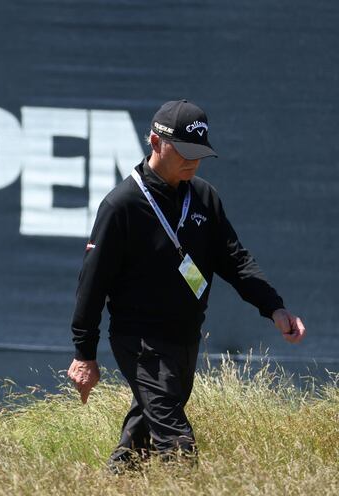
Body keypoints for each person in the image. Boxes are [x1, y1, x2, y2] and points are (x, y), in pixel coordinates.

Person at [66, 100, 306, 472]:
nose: (192, 162)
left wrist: (274, 307)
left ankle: (113, 488)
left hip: (186, 335)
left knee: (144, 432)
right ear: (155, 142)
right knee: (177, 441)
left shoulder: (204, 196)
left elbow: (235, 260)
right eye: (184, 152)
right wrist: (85, 353)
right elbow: (92, 283)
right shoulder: (122, 204)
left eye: (199, 154)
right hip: (140, 340)